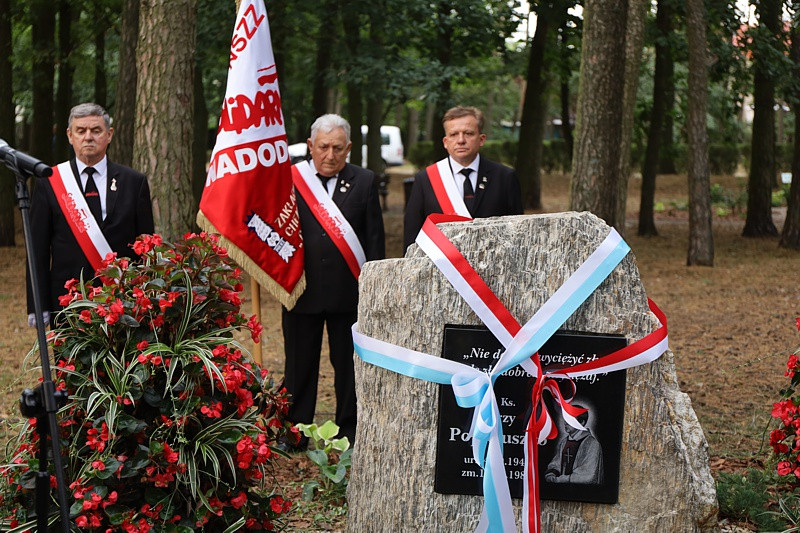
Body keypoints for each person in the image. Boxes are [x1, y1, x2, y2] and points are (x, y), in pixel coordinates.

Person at [282, 114, 385, 450]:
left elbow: (374, 241)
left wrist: (372, 292)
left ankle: (350, 431)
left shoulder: (365, 181)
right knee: (298, 365)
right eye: (323, 147)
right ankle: (295, 432)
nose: (330, 155)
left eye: (337, 148)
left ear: (349, 148)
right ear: (310, 146)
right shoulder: (289, 179)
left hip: (348, 294)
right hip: (301, 291)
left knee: (348, 367)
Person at [26, 103, 155, 327]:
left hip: (122, 302)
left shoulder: (134, 182)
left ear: (109, 135)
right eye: (81, 131)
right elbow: (37, 249)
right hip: (68, 304)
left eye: (96, 131)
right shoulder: (50, 183)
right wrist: (37, 305)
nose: (88, 137)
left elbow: (145, 246)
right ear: (69, 135)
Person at [403, 105, 523, 249]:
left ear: (482, 139)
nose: (461, 140)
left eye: (468, 133)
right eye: (454, 134)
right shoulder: (426, 179)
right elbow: (412, 235)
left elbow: (518, 232)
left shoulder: (504, 177)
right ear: (445, 143)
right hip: (442, 268)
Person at [544, 409, 604, 485]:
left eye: (570, 420)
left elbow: (588, 475)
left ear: (582, 422)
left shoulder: (592, 444)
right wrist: (551, 474)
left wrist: (563, 479)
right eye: (566, 419)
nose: (565, 423)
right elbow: (556, 463)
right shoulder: (564, 442)